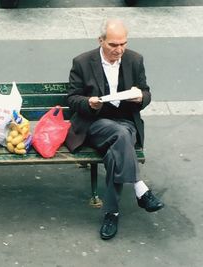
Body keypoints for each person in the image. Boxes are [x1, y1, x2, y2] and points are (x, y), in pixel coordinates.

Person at [65, 18, 164, 240]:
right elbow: (72, 98)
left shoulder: (135, 60)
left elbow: (146, 92)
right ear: (101, 41)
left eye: (123, 44)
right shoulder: (82, 62)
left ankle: (112, 213)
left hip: (125, 123)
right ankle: (140, 188)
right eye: (113, 45)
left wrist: (141, 97)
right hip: (95, 124)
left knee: (114, 155)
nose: (119, 50)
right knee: (120, 136)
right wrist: (89, 102)